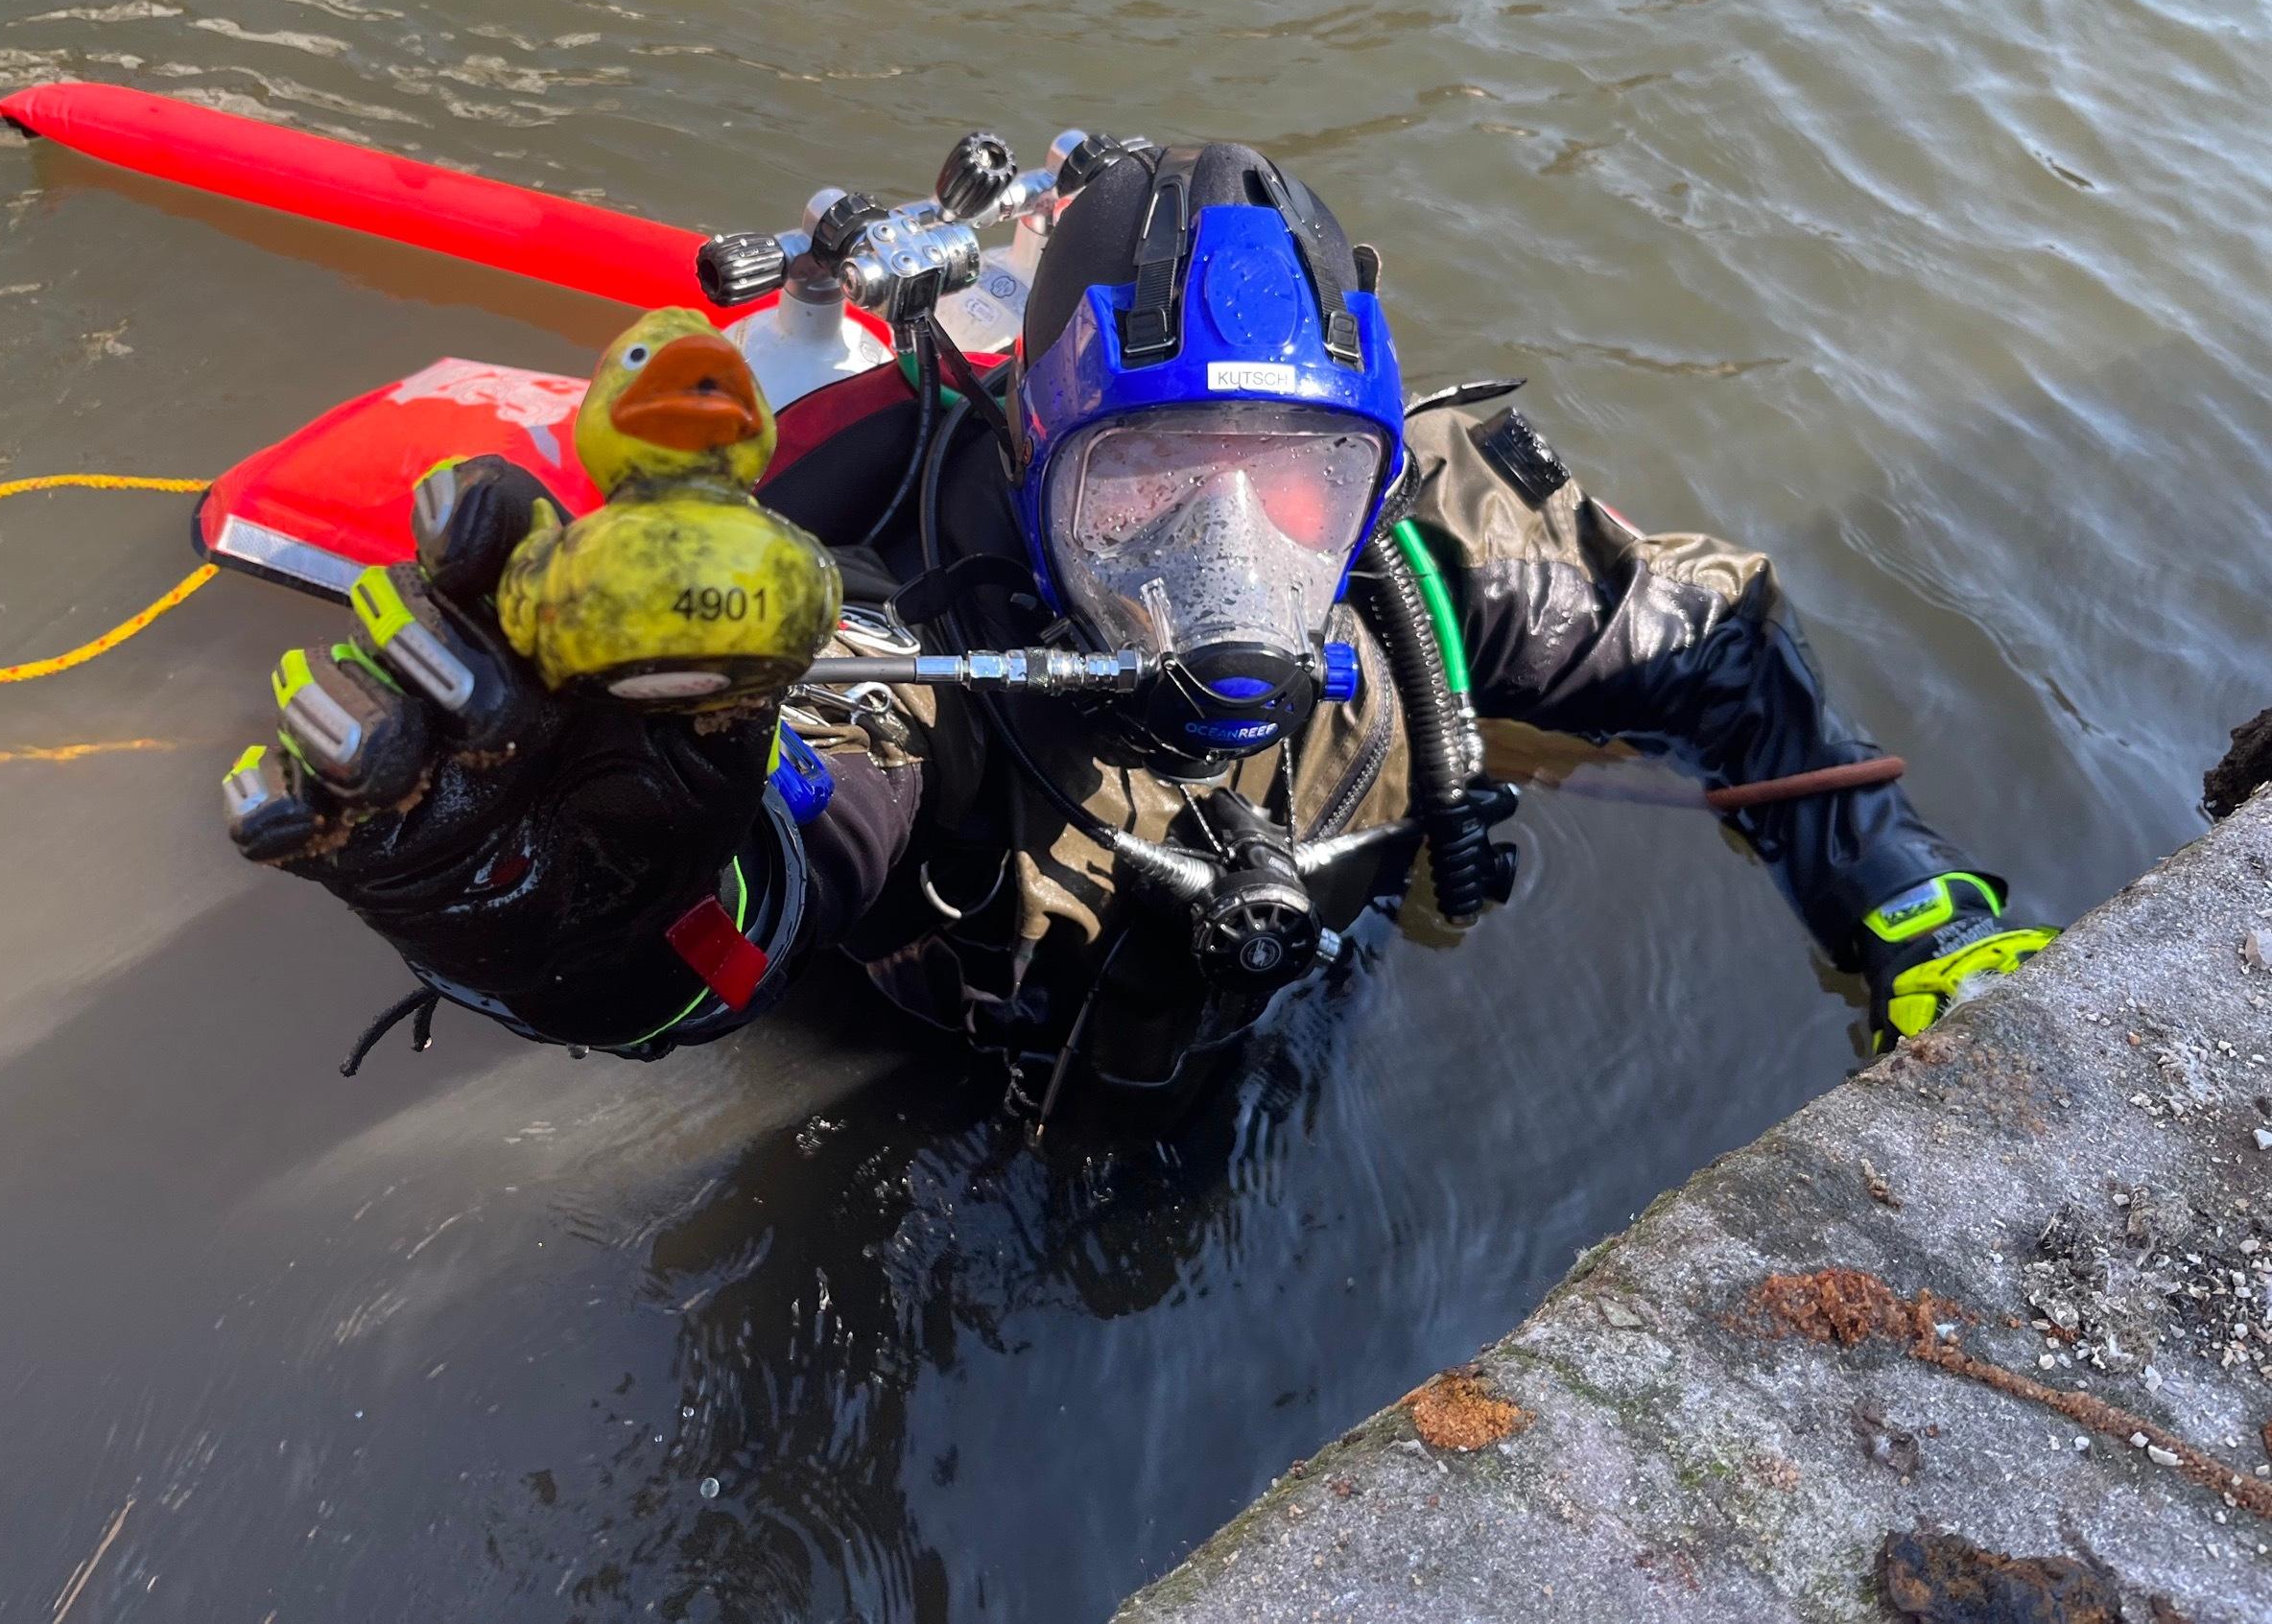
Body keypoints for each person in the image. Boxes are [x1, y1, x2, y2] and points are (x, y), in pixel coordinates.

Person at [223, 140, 2053, 1100]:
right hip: (968, 1080)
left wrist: (1904, 908)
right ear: (1034, 457)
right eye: (1148, 492)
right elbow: (772, 859)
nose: (1228, 563)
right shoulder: (912, 634)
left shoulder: (1438, 535)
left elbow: (1718, 646)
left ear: (1371, 465)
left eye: (1295, 490)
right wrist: (582, 933)